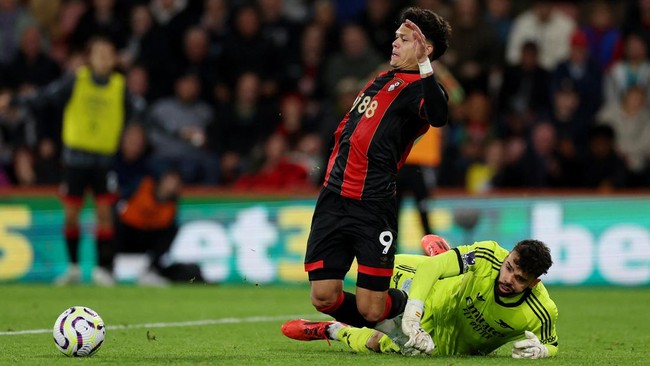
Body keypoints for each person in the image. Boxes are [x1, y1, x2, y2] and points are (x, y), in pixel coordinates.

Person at [302, 7, 450, 330]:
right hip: (334, 197)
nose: (394, 42)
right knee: (323, 296)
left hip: (372, 205)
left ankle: (417, 301)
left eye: (405, 38)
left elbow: (439, 116)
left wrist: (425, 66)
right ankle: (390, 329)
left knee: (372, 308)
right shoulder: (381, 78)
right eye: (396, 36)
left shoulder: (419, 92)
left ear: (426, 49)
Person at [0, 36, 145, 286]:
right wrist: (13, 100)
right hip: (75, 158)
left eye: (108, 54)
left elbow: (143, 116)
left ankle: (104, 268)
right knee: (71, 213)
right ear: (90, 58)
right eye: (98, 53)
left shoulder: (120, 88)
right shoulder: (76, 81)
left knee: (105, 214)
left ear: (114, 59)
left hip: (104, 160)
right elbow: (43, 97)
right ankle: (74, 268)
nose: (103, 59)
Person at [283, 236, 558, 359]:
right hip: (435, 298)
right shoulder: (489, 255)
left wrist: (543, 350)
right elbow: (429, 271)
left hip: (447, 347)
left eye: (520, 279)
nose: (508, 279)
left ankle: (330, 330)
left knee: (376, 342)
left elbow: (551, 342)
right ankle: (444, 260)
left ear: (534, 283)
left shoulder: (541, 311)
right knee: (381, 278)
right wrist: (414, 312)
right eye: (508, 266)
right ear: (508, 255)